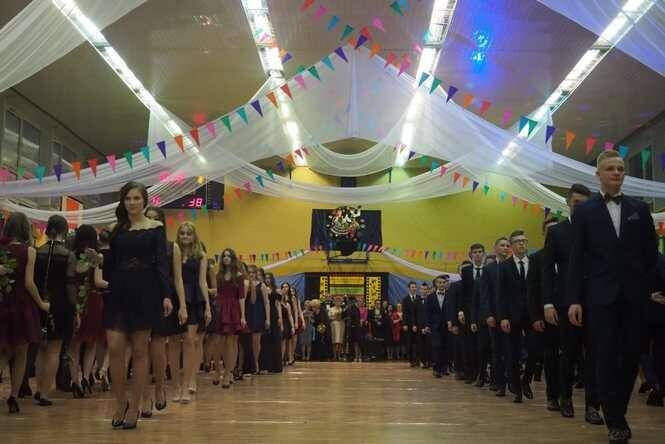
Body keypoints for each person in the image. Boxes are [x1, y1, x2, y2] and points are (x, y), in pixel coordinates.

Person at [567, 150, 658, 443]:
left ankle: (617, 410)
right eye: (610, 169)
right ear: (598, 174)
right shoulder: (584, 211)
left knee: (631, 356)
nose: (616, 172)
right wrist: (574, 299)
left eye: (620, 168)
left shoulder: (639, 209)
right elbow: (576, 259)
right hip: (599, 297)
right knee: (604, 356)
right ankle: (615, 420)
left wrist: (649, 287)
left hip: (635, 297)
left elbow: (651, 253)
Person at [104, 181, 172, 430]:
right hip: (118, 291)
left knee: (141, 351)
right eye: (127, 198)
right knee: (114, 348)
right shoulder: (115, 229)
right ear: (123, 202)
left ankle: (135, 406)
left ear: (145, 201)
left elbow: (161, 264)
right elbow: (109, 264)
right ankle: (120, 403)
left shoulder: (156, 228)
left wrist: (166, 295)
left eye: (136, 198)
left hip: (146, 292)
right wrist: (97, 259)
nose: (132, 202)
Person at [541, 184, 602, 424]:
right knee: (568, 353)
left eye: (585, 203)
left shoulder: (597, 230)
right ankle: (565, 398)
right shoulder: (557, 232)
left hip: (595, 302)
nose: (580, 207)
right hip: (566, 303)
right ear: (568, 203)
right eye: (576, 203)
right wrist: (547, 303)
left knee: (594, 355)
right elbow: (547, 270)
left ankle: (593, 406)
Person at [0, 212, 49, 414]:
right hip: (22, 305)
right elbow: (29, 283)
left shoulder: (2, 248)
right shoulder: (29, 251)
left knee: (4, 350)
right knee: (21, 352)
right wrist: (41, 303)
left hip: (3, 302)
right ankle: (13, 396)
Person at [143, 206, 187, 414]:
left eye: (156, 219)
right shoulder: (137, 245)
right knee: (140, 349)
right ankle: (145, 397)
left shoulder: (172, 247)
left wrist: (183, 306)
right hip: (140, 298)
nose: (152, 222)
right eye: (148, 218)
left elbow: (178, 279)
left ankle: (160, 387)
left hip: (164, 300)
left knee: (158, 348)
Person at [33, 215, 76, 406]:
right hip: (61, 305)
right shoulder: (68, 255)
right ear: (64, 231)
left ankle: (38, 388)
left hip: (38, 301)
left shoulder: (37, 252)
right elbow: (70, 285)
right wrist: (75, 309)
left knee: (41, 349)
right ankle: (44, 393)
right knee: (54, 350)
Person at [497, 230, 539, 403]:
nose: (522, 243)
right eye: (518, 241)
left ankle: (526, 380)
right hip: (512, 315)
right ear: (511, 246)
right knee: (512, 353)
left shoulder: (535, 262)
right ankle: (517, 389)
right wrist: (503, 317)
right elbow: (501, 294)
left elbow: (539, 289)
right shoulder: (504, 266)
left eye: (524, 240)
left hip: (533, 315)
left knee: (535, 349)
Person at [172, 222, 210, 402]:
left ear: (194, 236)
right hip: (176, 296)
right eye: (182, 233)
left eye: (188, 233)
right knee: (173, 342)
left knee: (190, 340)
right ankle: (176, 386)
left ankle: (189, 382)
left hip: (194, 298)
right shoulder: (173, 252)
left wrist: (207, 306)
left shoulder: (201, 255)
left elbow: (203, 281)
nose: (185, 236)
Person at [67, 224, 105, 399]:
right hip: (94, 301)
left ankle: (74, 381)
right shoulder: (98, 257)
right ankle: (85, 378)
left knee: (74, 345)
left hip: (76, 300)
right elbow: (98, 281)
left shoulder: (72, 256)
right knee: (91, 343)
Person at [527, 217, 561, 413]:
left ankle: (566, 394)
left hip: (569, 312)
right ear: (544, 233)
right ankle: (552, 396)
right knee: (550, 356)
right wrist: (535, 317)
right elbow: (532, 290)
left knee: (571, 357)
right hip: (546, 315)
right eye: (549, 230)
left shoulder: (571, 254)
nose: (553, 233)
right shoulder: (537, 258)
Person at [479, 237, 510, 394]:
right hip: (495, 317)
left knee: (512, 351)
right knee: (497, 351)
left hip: (512, 316)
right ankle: (499, 383)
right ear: (495, 248)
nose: (505, 248)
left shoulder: (513, 265)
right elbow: (485, 295)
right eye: (502, 245)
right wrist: (488, 314)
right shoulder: (488, 269)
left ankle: (513, 382)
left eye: (507, 245)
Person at [212, 248, 247, 388]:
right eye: (224, 256)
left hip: (233, 309)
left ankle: (228, 373)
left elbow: (241, 297)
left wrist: (243, 316)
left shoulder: (239, 276)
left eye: (229, 256)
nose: (226, 258)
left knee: (231, 342)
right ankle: (217, 370)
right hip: (220, 308)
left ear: (233, 259)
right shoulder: (218, 275)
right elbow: (217, 292)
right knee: (217, 342)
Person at [459, 244, 485, 384]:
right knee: (470, 343)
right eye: (475, 252)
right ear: (471, 255)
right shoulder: (466, 270)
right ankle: (471, 373)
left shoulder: (488, 269)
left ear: (484, 254)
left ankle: (483, 374)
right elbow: (463, 292)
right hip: (469, 311)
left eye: (480, 252)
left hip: (485, 311)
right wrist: (461, 311)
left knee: (484, 344)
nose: (477, 254)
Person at [245, 265, 270, 373]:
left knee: (256, 340)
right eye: (249, 272)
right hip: (247, 312)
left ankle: (255, 362)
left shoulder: (261, 285)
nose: (251, 274)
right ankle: (247, 364)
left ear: (256, 273)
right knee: (246, 340)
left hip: (258, 313)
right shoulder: (245, 284)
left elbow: (266, 302)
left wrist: (268, 318)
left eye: (253, 272)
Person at [424, 275, 450, 378]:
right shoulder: (430, 297)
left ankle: (444, 368)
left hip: (447, 326)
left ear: (446, 283)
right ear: (435, 284)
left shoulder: (450, 295)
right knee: (436, 347)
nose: (441, 284)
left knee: (446, 347)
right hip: (435, 326)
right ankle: (436, 369)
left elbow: (452, 310)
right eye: (439, 282)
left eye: (443, 282)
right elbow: (427, 312)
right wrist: (427, 325)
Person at [259, 272, 283, 372]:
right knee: (265, 340)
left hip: (274, 314)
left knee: (275, 339)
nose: (267, 280)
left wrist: (280, 317)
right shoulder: (262, 288)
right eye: (266, 278)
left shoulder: (277, 290)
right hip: (264, 314)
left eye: (269, 278)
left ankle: (275, 366)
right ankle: (265, 365)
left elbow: (278, 305)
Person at [401, 282, 420, 367]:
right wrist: (404, 324)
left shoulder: (419, 298)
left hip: (418, 324)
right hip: (408, 324)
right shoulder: (405, 299)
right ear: (409, 288)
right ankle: (411, 360)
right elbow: (404, 313)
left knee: (418, 343)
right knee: (410, 343)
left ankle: (418, 360)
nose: (414, 288)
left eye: (415, 287)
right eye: (412, 287)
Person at [329, 296, 345, 361]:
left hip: (341, 324)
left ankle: (339, 356)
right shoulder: (331, 309)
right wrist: (335, 317)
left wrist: (341, 317)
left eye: (339, 301)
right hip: (334, 324)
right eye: (336, 301)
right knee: (334, 341)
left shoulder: (342, 309)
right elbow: (329, 317)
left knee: (340, 341)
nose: (338, 302)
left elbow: (345, 317)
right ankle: (334, 356)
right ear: (334, 302)